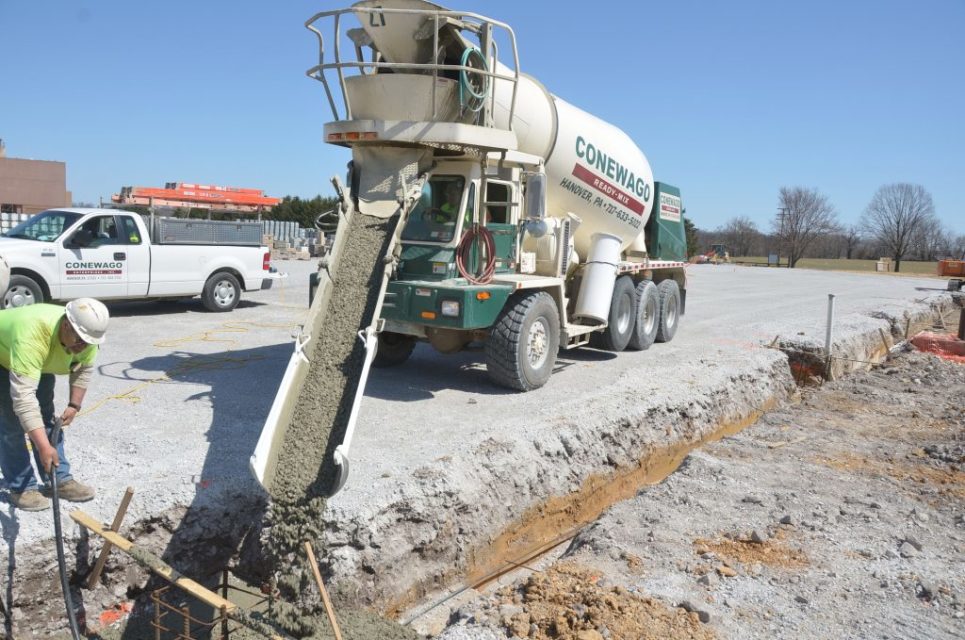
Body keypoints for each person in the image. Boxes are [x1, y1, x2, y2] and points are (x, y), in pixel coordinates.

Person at [0, 298, 109, 511]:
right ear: (66, 324)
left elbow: (83, 368)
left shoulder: (86, 335)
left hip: (41, 360)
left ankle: (58, 479)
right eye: (79, 341)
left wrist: (74, 404)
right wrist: (42, 446)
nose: (82, 346)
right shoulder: (32, 333)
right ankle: (21, 486)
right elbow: (23, 399)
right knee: (11, 424)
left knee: (46, 415)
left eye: (87, 342)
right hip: (4, 358)